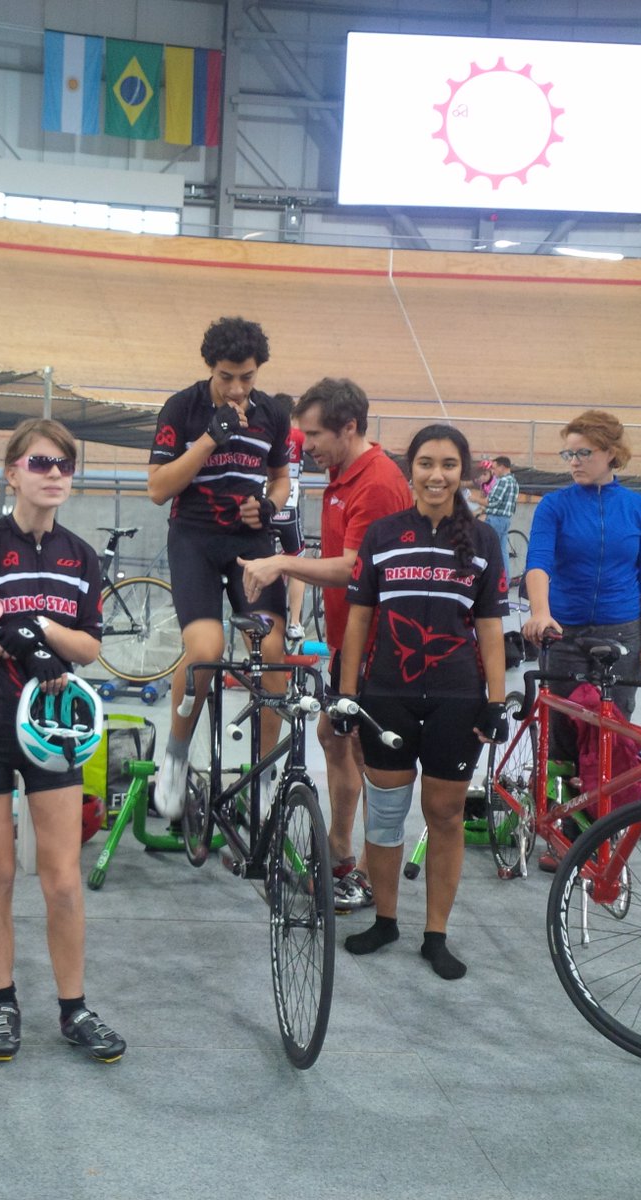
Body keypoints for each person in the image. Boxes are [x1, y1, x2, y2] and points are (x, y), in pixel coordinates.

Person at [0, 419, 125, 1064]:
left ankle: (74, 1010)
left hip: (53, 732)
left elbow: (90, 647)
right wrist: (0, 639)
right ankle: (2, 1001)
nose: (54, 474)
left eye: (65, 465)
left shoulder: (80, 556)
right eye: (40, 462)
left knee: (64, 881)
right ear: (12, 471)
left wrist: (36, 625)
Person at [334, 424, 509, 980]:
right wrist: (346, 694)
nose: (438, 475)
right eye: (427, 463)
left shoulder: (483, 542)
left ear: (464, 472)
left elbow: (490, 628)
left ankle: (436, 934)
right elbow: (359, 620)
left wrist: (496, 702)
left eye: (449, 465)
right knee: (384, 816)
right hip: (387, 693)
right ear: (410, 469)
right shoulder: (384, 534)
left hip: (458, 698)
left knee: (446, 813)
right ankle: (386, 919)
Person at [239, 378, 410, 911]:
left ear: (349, 427)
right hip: (350, 642)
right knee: (335, 739)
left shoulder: (376, 482)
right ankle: (340, 852)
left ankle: (359, 870)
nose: (303, 446)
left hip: (383, 645)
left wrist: (283, 563)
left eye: (313, 434)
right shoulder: (339, 474)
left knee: (366, 754)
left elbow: (354, 569)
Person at [146, 317, 293, 821]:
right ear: (211, 367)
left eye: (246, 377)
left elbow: (280, 480)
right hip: (194, 538)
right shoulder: (182, 408)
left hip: (249, 542)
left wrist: (270, 508)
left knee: (272, 647)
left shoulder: (271, 413)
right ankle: (176, 755)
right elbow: (159, 487)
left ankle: (265, 773)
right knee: (206, 650)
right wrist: (210, 439)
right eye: (227, 375)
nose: (236, 388)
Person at [520, 410, 641, 869]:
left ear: (611, 454)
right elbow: (538, 561)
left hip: (622, 632)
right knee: (563, 733)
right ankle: (563, 830)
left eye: (584, 452)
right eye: (569, 453)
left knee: (613, 731)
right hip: (563, 630)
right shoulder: (555, 505)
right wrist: (540, 612)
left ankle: (602, 825)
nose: (574, 461)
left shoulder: (640, 510)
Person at [272, 393, 309, 642]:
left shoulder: (264, 433)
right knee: (298, 565)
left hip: (266, 506)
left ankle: (267, 620)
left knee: (263, 561)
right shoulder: (299, 437)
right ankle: (294, 623)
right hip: (290, 510)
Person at [479, 455, 519, 582]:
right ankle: (504, 582)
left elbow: (492, 502)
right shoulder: (514, 482)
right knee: (502, 553)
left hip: (495, 520)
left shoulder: (503, 481)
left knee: (487, 550)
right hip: (505, 520)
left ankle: (488, 581)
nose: (493, 471)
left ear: (502, 467)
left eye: (495, 468)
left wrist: (473, 499)